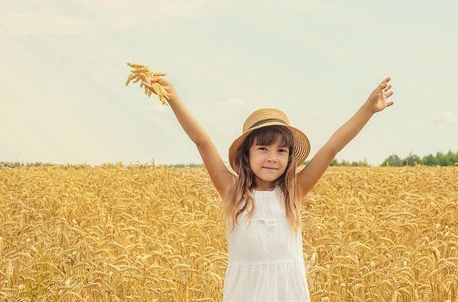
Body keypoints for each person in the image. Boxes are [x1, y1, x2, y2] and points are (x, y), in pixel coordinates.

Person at [144, 74, 394, 301]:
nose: (272, 157)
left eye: (281, 151)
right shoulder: (233, 191)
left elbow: (332, 146)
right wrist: (173, 99)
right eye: (263, 149)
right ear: (246, 154)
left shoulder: (293, 193)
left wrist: (368, 109)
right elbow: (202, 142)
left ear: (289, 158)